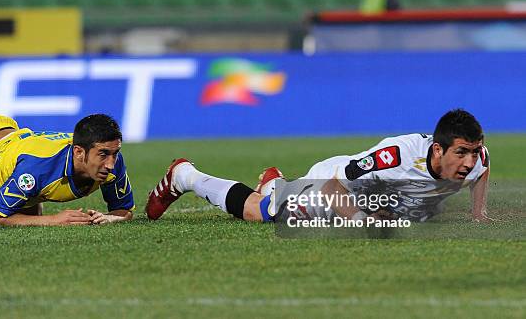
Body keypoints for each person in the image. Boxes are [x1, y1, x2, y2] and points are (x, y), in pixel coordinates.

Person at [145, 109, 492, 223]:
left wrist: (479, 213)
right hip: (336, 181)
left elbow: (483, 171)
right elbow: (337, 185)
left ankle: (275, 183)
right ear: (437, 149)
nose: (469, 162)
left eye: (474, 153)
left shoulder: (476, 159)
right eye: (461, 153)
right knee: (262, 212)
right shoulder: (395, 156)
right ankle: (186, 175)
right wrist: (361, 222)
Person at [0, 114, 134, 226]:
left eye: (115, 153)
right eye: (103, 155)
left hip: (0, 130)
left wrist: (109, 218)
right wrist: (55, 219)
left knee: (29, 211)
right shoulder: (37, 169)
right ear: (78, 152)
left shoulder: (112, 159)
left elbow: (123, 211)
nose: (111, 164)